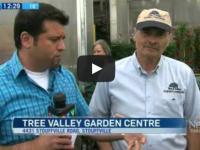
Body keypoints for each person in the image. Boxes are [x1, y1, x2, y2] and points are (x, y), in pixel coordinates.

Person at [89, 8, 200, 150]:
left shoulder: (183, 73)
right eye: (146, 32)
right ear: (135, 34)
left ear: (169, 37)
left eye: (159, 34)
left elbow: (195, 123)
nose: (152, 40)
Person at [0, 3, 89, 149]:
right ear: (26, 39)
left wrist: (124, 131)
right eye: (54, 40)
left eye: (63, 39)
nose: (62, 47)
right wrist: (34, 146)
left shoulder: (66, 77)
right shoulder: (2, 85)